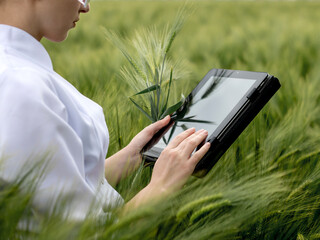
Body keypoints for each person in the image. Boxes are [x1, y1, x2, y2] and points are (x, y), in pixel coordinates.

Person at [0, 0, 210, 220]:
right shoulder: (19, 84)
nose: (85, 6)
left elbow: (44, 192)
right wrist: (161, 187)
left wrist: (130, 157)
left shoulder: (16, 71)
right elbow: (81, 234)